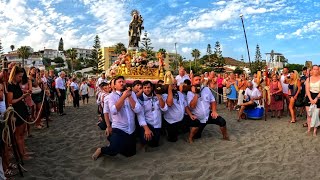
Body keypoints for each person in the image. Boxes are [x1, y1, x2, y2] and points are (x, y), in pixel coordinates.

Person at [92, 76, 142, 159]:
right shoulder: (111, 96)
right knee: (114, 150)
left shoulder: (132, 94)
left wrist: (129, 96)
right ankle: (101, 150)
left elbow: (138, 109)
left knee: (130, 153)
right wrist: (123, 97)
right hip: (119, 128)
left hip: (131, 129)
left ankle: (116, 142)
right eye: (119, 82)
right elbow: (113, 111)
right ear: (114, 86)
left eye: (123, 81)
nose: (122, 83)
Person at [187, 75, 229, 143]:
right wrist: (196, 94)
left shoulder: (206, 89)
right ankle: (190, 138)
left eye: (199, 79)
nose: (198, 81)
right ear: (192, 81)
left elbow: (213, 100)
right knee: (197, 136)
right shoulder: (189, 93)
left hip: (207, 115)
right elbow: (192, 106)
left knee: (222, 121)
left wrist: (214, 111)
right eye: (196, 80)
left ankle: (225, 136)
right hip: (198, 118)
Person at [7, 66, 31, 160]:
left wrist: (24, 93)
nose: (21, 79)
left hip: (21, 109)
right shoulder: (10, 85)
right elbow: (10, 101)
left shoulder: (16, 84)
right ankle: (21, 154)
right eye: (20, 76)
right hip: (16, 110)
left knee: (22, 133)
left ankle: (23, 151)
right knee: (19, 134)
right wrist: (22, 97)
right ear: (14, 75)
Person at [137, 81, 168, 149]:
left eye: (148, 87)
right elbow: (140, 116)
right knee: (145, 139)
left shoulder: (157, 96)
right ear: (142, 89)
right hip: (147, 124)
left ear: (152, 88)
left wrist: (159, 97)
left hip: (157, 124)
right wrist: (146, 129)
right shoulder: (140, 99)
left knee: (155, 144)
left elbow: (164, 109)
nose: (147, 89)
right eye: (144, 88)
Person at [305, 65, 320, 136]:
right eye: (314, 69)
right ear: (312, 70)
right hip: (309, 96)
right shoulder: (308, 79)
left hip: (318, 97)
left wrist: (316, 98)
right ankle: (309, 128)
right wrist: (311, 99)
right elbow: (307, 90)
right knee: (309, 114)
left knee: (316, 115)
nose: (316, 71)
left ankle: (315, 130)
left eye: (317, 69)